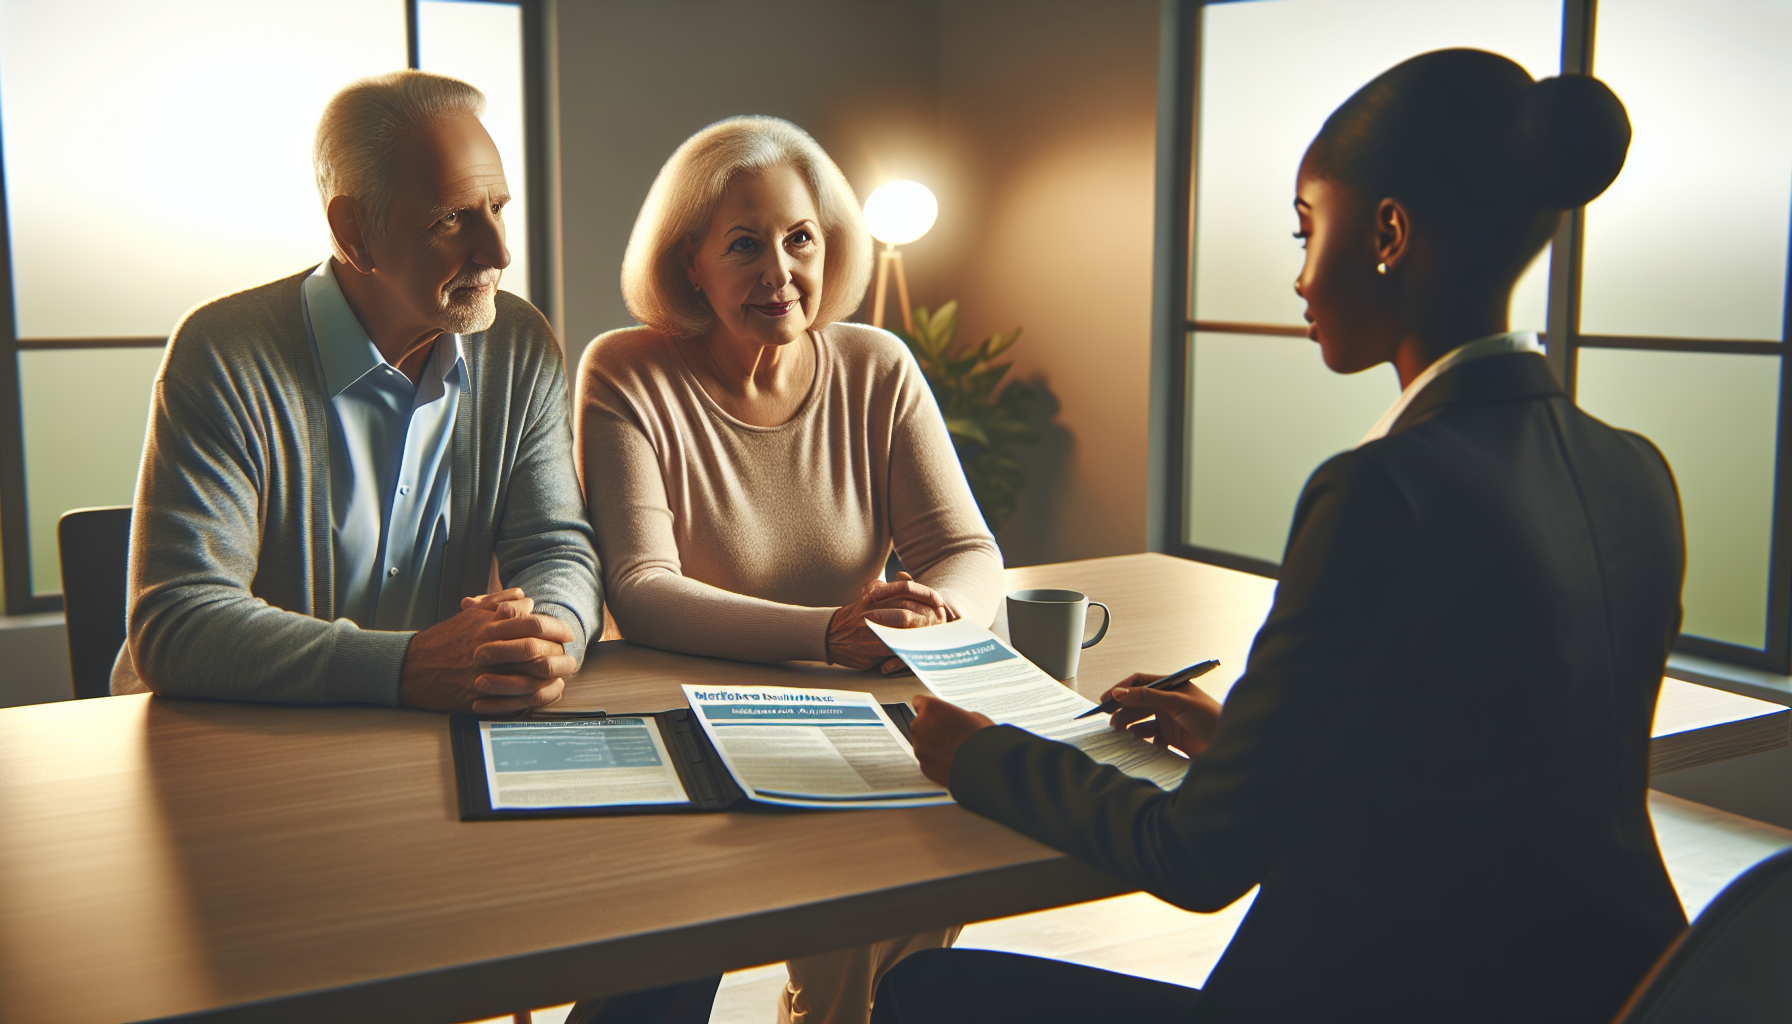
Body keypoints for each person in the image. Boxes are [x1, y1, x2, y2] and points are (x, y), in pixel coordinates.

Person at [882, 49, 1686, 1024]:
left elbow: (1196, 855)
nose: (1299, 276)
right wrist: (1247, 743)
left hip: (1383, 996)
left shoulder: (1385, 489)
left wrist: (976, 754)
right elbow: (1485, 763)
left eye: (1307, 229)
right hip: (1607, 989)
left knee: (926, 990)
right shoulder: (1634, 469)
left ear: (1387, 230)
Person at [576, 116, 1005, 1024]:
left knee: (952, 844)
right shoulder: (626, 372)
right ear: (689, 262)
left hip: (861, 710)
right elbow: (643, 591)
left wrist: (937, 619)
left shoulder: (876, 365)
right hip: (691, 719)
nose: (780, 272)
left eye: (799, 238)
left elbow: (966, 552)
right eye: (744, 244)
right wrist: (829, 636)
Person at [117, 69, 598, 716]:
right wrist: (407, 667)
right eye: (452, 218)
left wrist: (539, 641)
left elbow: (556, 549)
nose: (499, 252)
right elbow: (179, 622)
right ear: (354, 234)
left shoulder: (518, 345)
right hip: (229, 740)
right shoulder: (224, 354)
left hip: (426, 733)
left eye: (498, 208)